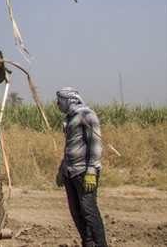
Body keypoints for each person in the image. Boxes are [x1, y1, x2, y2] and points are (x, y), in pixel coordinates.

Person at [56, 87, 109, 247]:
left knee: (88, 211)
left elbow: (95, 145)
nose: (58, 104)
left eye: (60, 100)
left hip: (83, 172)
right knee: (76, 212)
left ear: (69, 100)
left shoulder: (87, 115)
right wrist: (61, 170)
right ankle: (88, 243)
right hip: (70, 172)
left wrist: (92, 171)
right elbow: (70, 148)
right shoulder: (70, 118)